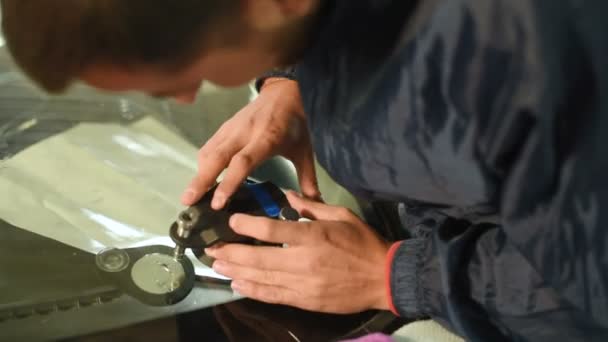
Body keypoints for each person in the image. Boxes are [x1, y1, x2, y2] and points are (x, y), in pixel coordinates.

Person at [2, 0, 607, 340]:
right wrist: (292, 78)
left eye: (190, 72)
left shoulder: (533, 63)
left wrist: (394, 277)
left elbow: (588, 289)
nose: (188, 99)